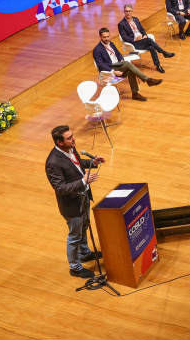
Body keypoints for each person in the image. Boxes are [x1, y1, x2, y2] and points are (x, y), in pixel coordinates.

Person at [45, 124, 106, 278]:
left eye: (72, 135)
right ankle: (75, 267)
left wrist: (93, 163)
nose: (74, 139)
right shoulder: (53, 162)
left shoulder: (70, 149)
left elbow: (78, 165)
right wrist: (83, 181)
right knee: (74, 236)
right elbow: (60, 188)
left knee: (84, 227)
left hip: (83, 197)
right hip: (72, 205)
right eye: (70, 138)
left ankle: (85, 253)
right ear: (60, 142)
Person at [92, 27, 162, 102]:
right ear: (100, 37)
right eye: (104, 37)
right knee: (128, 64)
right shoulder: (97, 49)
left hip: (119, 65)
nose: (106, 38)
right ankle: (148, 80)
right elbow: (100, 65)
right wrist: (113, 71)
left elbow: (118, 54)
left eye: (107, 36)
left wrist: (121, 60)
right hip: (111, 68)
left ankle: (135, 94)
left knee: (130, 71)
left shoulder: (111, 44)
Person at [117, 4, 174, 73]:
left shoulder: (136, 19)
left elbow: (142, 29)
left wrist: (144, 35)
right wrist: (135, 39)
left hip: (142, 40)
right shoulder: (121, 24)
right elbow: (124, 37)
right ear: (124, 12)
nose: (128, 13)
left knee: (151, 48)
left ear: (132, 11)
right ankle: (163, 52)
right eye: (126, 11)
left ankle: (158, 66)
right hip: (133, 43)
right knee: (149, 40)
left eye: (129, 11)